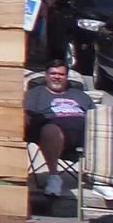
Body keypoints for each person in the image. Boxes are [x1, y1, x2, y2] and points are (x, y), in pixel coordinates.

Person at [24, 60, 89, 198]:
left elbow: (95, 116)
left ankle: (102, 179)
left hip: (83, 132)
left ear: (66, 77)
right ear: (46, 76)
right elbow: (27, 115)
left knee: (105, 127)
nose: (57, 77)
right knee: (50, 129)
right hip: (51, 131)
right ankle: (54, 177)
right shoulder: (35, 93)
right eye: (53, 73)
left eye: (61, 74)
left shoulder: (80, 95)